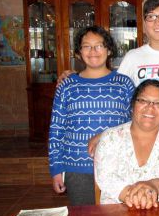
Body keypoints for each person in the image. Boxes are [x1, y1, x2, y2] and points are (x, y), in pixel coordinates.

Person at [48, 26, 135, 206]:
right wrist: (56, 169)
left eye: (99, 46)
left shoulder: (124, 84)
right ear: (79, 53)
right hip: (77, 168)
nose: (93, 51)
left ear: (109, 50)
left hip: (117, 165)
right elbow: (56, 129)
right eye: (86, 46)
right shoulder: (67, 85)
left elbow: (134, 125)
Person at [94, 79, 159, 209]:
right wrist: (137, 197)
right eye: (143, 101)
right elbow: (106, 178)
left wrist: (153, 186)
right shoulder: (111, 137)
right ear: (133, 104)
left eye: (158, 103)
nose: (150, 107)